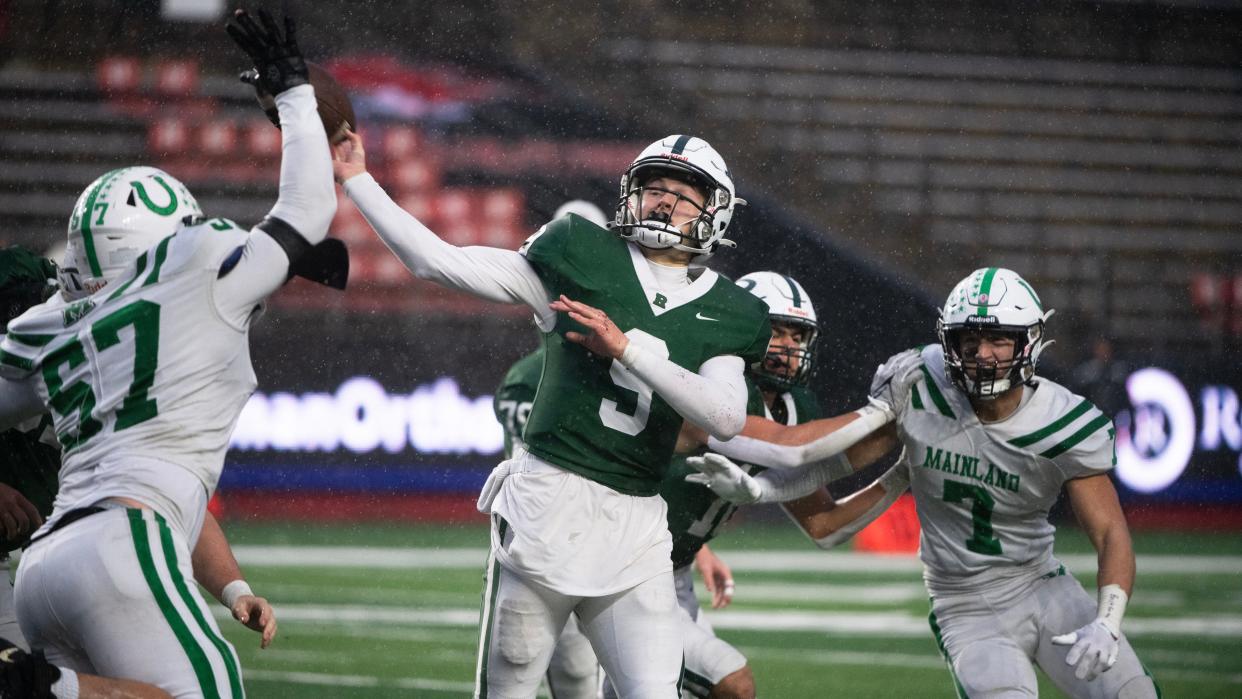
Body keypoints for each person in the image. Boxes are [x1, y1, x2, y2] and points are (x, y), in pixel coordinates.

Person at [336, 132, 771, 698]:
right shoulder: (580, 254)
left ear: (714, 210)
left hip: (637, 521)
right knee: (511, 686)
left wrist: (627, 349)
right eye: (653, 188)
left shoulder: (729, 309)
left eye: (682, 194)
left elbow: (727, 417)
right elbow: (435, 261)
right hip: (548, 501)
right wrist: (359, 181)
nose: (664, 201)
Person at [0, 9, 335, 697]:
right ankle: (27, 686)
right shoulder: (193, 262)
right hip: (126, 540)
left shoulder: (52, 319)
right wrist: (294, 91)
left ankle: (42, 686)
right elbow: (306, 211)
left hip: (42, 567)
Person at [690, 267, 1161, 699]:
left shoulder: (1064, 420)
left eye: (998, 339)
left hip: (1040, 582)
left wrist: (1108, 619)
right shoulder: (920, 381)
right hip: (963, 602)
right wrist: (768, 491)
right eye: (969, 340)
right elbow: (828, 469)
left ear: (1029, 341)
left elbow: (1110, 532)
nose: (982, 354)